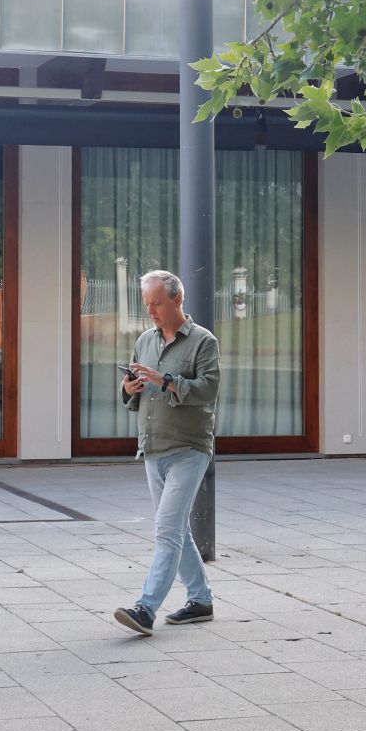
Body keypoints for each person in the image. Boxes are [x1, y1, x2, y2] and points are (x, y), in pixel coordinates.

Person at [113, 270, 220, 637]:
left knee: (166, 531)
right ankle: (201, 599)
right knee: (175, 529)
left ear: (177, 299)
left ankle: (145, 608)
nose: (151, 311)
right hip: (152, 447)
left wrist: (166, 380)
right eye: (147, 304)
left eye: (156, 303)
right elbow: (132, 395)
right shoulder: (145, 340)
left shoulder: (203, 341)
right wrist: (130, 388)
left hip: (189, 448)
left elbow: (208, 390)